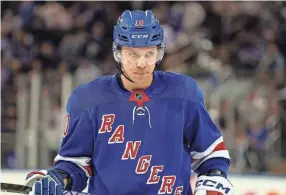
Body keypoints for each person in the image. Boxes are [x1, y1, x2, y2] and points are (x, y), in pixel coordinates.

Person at [25, 10, 233, 195]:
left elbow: (211, 154)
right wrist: (58, 179)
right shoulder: (88, 99)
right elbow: (75, 164)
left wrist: (213, 179)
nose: (141, 63)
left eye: (149, 54)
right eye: (132, 54)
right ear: (118, 53)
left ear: (159, 53)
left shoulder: (184, 92)